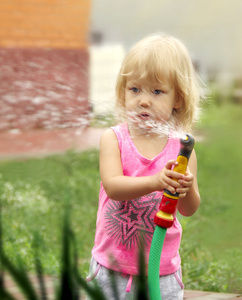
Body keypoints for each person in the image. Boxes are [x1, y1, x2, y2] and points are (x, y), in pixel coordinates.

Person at [87, 33, 202, 300]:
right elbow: (114, 187)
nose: (143, 100)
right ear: (123, 90)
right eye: (135, 89)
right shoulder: (113, 139)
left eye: (157, 91)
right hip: (111, 270)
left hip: (161, 274)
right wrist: (157, 182)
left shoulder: (182, 149)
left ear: (178, 99)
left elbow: (189, 209)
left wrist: (186, 189)